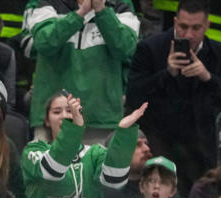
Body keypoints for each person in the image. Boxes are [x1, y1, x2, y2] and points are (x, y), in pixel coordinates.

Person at [125, 0, 221, 197]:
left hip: (200, 147)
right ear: (175, 21)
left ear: (207, 26)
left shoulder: (217, 52)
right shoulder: (149, 48)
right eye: (183, 26)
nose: (188, 35)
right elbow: (134, 98)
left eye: (196, 28)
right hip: (160, 142)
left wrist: (207, 77)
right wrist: (167, 74)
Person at [17, 92, 146, 198]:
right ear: (47, 120)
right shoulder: (34, 150)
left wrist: (123, 134)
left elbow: (116, 180)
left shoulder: (95, 153)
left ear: (81, 118)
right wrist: (73, 130)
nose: (64, 116)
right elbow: (52, 170)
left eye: (70, 111)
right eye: (57, 112)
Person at [24, 0, 140, 142]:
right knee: (44, 164)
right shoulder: (47, 3)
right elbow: (43, 43)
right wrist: (80, 14)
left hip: (101, 119)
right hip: (53, 119)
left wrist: (101, 11)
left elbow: (126, 48)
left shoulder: (120, 6)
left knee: (97, 164)